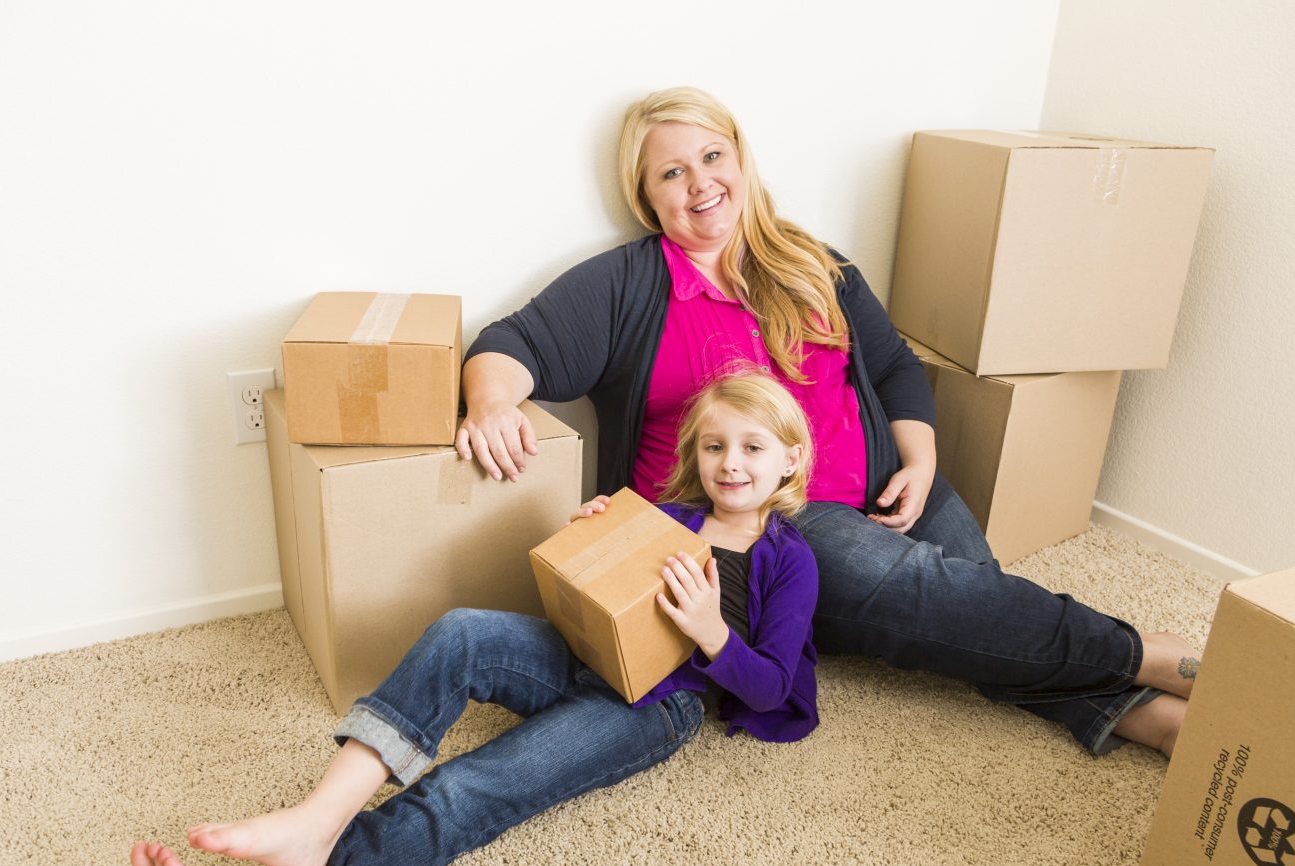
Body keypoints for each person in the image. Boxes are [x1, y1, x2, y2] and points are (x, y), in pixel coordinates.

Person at [454, 86, 1202, 761]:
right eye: (671, 172)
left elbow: (895, 368)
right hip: (769, 522)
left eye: (713, 155)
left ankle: (1130, 712)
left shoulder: (814, 262)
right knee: (933, 594)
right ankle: (1148, 657)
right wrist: (491, 401)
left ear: (742, 160)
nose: (700, 182)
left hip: (885, 484)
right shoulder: (626, 285)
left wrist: (920, 461)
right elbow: (509, 345)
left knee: (973, 606)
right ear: (648, 198)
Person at [131, 369, 822, 866]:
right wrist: (596, 535)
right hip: (582, 656)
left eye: (752, 447)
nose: (730, 463)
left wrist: (710, 629)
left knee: (478, 782)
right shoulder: (667, 517)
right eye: (714, 445)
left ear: (791, 458)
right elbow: (602, 590)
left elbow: (769, 684)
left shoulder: (790, 559)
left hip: (654, 706)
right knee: (462, 630)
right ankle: (317, 817)